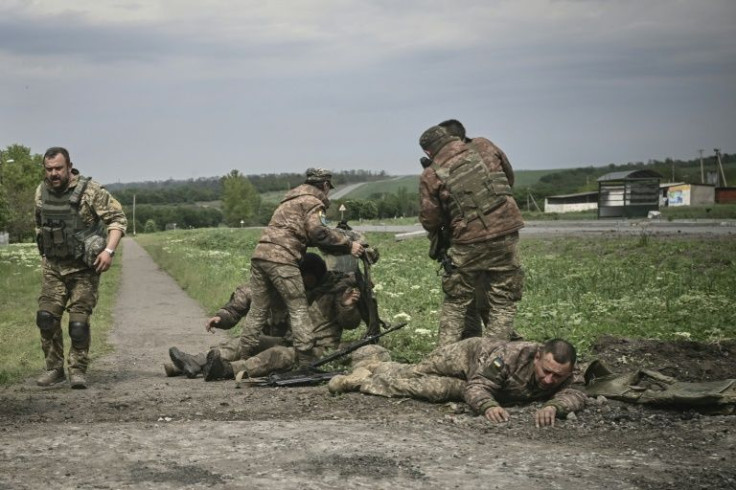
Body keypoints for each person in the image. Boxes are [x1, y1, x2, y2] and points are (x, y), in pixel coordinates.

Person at [237, 168, 364, 367]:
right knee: (298, 307)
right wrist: (349, 244)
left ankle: (243, 355)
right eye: (328, 188)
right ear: (324, 185)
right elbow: (318, 233)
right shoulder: (314, 202)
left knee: (258, 309)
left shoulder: (289, 200)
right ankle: (305, 360)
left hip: (261, 254)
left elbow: (299, 233)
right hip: (282, 258)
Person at [164, 253, 362, 380]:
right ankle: (197, 361)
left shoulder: (335, 292)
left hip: (314, 349)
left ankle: (226, 370)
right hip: (286, 339)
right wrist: (223, 317)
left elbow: (350, 323)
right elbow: (250, 294)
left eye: (306, 279)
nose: (301, 283)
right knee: (249, 341)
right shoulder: (288, 288)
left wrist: (347, 306)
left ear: (315, 277)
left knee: (278, 355)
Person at [418, 125, 525, 345]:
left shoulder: (431, 173)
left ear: (428, 152)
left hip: (468, 242)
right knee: (503, 301)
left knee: (456, 301)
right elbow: (508, 178)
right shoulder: (484, 145)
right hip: (506, 232)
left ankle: (444, 357)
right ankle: (494, 356)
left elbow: (430, 219)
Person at [329, 338, 586, 427]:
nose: (549, 380)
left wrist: (556, 407)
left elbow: (577, 392)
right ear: (538, 356)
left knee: (431, 389)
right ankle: (373, 367)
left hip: (471, 383)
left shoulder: (568, 372)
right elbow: (478, 386)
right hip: (467, 356)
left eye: (557, 377)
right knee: (415, 373)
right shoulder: (509, 357)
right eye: (546, 371)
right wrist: (487, 405)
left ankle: (362, 381)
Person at [34, 147, 127, 389]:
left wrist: (109, 251)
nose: (54, 173)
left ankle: (77, 370)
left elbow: (117, 220)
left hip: (84, 268)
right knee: (46, 317)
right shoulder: (41, 191)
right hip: (54, 266)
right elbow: (39, 223)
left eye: (58, 168)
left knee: (78, 323)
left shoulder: (90, 191)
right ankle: (55, 369)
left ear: (69, 166)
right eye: (49, 169)